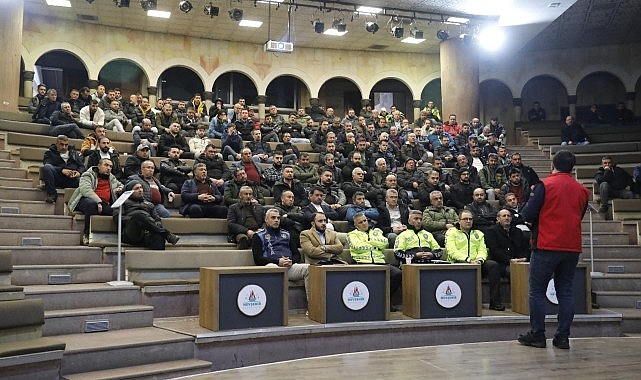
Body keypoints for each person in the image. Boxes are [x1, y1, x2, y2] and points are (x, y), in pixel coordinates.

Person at [518, 150, 590, 350]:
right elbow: (578, 215)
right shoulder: (583, 190)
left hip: (546, 244)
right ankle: (563, 337)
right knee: (566, 292)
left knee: (537, 291)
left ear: (553, 164)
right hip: (571, 247)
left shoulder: (545, 185)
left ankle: (538, 335)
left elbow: (528, 214)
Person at [347, 212, 403, 309]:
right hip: (362, 263)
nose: (364, 223)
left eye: (365, 221)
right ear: (356, 225)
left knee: (398, 273)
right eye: (360, 222)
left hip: (380, 262)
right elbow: (358, 247)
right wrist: (375, 244)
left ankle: (385, 298)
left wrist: (368, 242)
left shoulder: (377, 231)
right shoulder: (351, 234)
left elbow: (384, 243)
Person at [252, 208, 309, 301]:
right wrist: (278, 261)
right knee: (273, 268)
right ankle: (276, 305)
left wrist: (291, 261)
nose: (276, 220)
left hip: (289, 267)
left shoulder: (287, 234)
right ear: (266, 220)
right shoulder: (258, 236)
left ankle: (312, 306)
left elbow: (296, 255)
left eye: (278, 218)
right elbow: (257, 259)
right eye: (273, 218)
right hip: (271, 266)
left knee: (309, 269)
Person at [67, 158, 123, 245]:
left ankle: (120, 237)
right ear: (99, 166)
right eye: (106, 165)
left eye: (111, 166)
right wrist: (98, 202)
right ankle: (86, 233)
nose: (109, 168)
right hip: (84, 200)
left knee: (117, 211)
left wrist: (121, 189)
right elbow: (86, 190)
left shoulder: (112, 178)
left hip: (103, 204)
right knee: (92, 205)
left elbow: (121, 185)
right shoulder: (88, 175)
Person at [483, 209, 529, 311]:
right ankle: (499, 302)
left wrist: (524, 258)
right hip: (500, 263)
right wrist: (510, 260)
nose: (507, 218)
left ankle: (526, 304)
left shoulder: (517, 231)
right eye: (504, 216)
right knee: (512, 271)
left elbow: (524, 248)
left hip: (518, 262)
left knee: (526, 269)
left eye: (508, 216)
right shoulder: (491, 231)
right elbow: (495, 251)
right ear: (498, 219)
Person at [114, 181, 180, 250]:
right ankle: (166, 233)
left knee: (159, 236)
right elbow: (117, 218)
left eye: (141, 188)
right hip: (131, 232)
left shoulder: (149, 204)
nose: (140, 190)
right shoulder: (122, 202)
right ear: (130, 191)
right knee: (138, 216)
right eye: (136, 188)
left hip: (146, 233)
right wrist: (137, 220)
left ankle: (159, 258)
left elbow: (157, 219)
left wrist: (150, 223)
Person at [42, 135, 85, 203]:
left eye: (66, 145)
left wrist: (79, 173)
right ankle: (52, 194)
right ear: (56, 144)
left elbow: (82, 166)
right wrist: (62, 170)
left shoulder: (74, 153)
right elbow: (47, 164)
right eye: (62, 144)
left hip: (73, 179)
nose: (64, 147)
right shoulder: (49, 153)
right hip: (58, 178)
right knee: (47, 168)